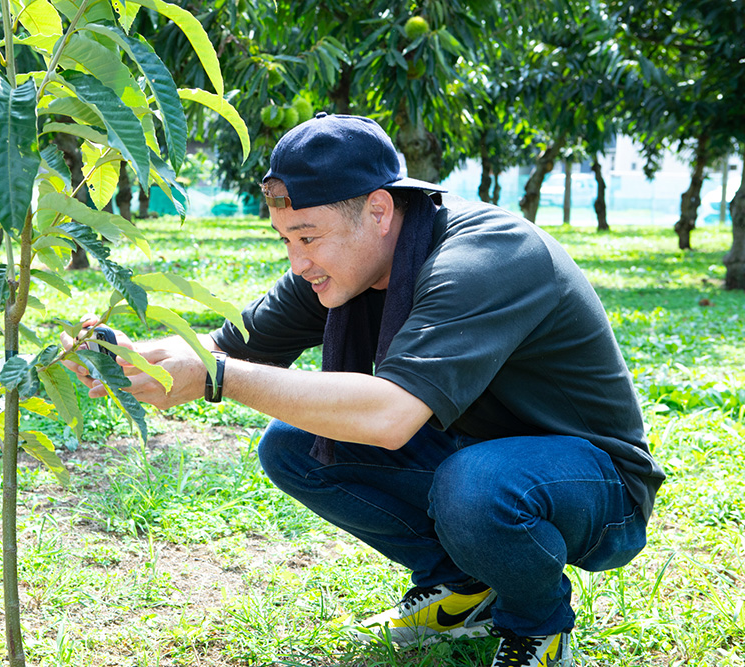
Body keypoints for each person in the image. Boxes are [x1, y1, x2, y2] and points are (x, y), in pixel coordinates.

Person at [62, 113, 665, 667]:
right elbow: (226, 349)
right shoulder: (338, 268)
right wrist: (137, 357)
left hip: (594, 483)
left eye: (308, 236)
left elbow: (390, 417)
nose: (298, 262)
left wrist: (217, 381)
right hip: (473, 452)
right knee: (294, 443)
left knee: (476, 486)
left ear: (379, 210)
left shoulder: (485, 255)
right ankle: (466, 587)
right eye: (286, 240)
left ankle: (537, 622)